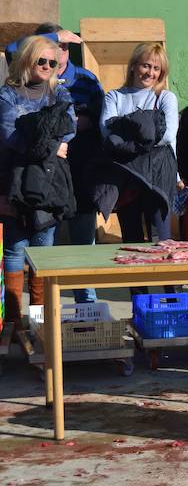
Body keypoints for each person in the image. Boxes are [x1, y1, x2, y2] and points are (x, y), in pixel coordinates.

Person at [0, 36, 76, 325]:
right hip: (13, 180)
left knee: (43, 248)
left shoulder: (61, 96)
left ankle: (38, 321)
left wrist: (42, 138)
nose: (46, 66)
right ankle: (13, 323)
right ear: (26, 60)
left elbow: (68, 132)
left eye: (52, 62)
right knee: (15, 249)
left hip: (49, 183)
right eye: (40, 60)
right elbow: (10, 137)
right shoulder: (7, 95)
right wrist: (50, 146)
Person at [32, 23, 105, 304]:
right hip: (46, 174)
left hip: (81, 172)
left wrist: (81, 124)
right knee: (45, 246)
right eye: (54, 44)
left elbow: (102, 121)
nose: (59, 52)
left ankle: (87, 306)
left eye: (63, 46)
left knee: (83, 244)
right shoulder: (33, 77)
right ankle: (44, 310)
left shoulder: (86, 80)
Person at [99, 43, 178, 295]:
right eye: (146, 65)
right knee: (132, 244)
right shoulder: (114, 96)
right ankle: (139, 304)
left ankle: (172, 299)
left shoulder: (165, 97)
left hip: (159, 177)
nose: (150, 72)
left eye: (156, 68)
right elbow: (106, 132)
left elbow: (168, 136)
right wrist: (143, 136)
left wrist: (127, 138)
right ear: (134, 65)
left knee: (162, 242)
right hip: (128, 178)